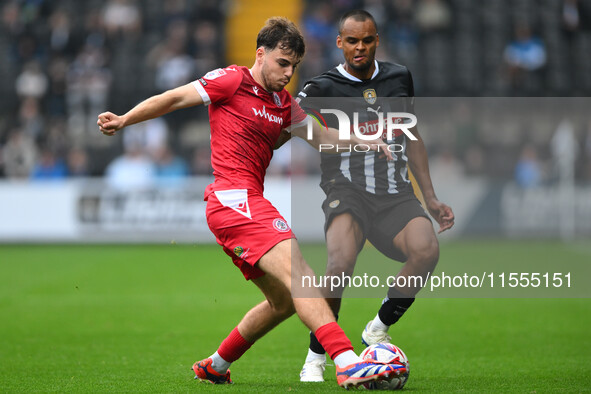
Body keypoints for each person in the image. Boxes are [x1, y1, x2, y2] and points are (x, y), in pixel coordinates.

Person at [97, 17, 406, 389]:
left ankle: (216, 364)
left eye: (294, 66)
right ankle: (347, 361)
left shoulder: (283, 104)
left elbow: (323, 136)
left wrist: (367, 140)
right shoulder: (231, 80)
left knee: (284, 302)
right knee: (302, 278)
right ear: (261, 54)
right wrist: (125, 119)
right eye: (282, 63)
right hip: (233, 199)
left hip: (244, 203)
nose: (289, 73)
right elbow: (175, 97)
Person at [295, 10, 454, 382]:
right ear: (340, 43)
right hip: (345, 191)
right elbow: (287, 123)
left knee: (427, 252)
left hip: (396, 195)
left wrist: (429, 197)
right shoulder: (321, 87)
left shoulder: (399, 77)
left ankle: (377, 328)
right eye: (352, 41)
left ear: (377, 40)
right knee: (338, 267)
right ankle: (316, 356)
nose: (360, 47)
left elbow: (412, 136)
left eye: (367, 40)